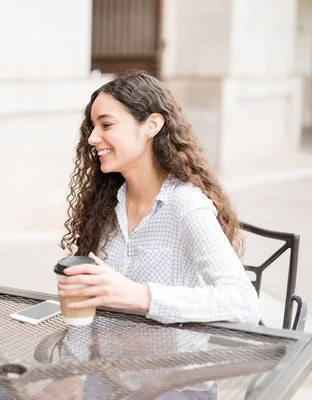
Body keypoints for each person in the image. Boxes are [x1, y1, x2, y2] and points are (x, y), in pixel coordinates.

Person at [46, 71, 261, 399]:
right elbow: (84, 304)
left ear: (152, 125)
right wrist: (73, 373)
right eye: (93, 128)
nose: (92, 138)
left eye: (106, 125)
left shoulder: (187, 205)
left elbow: (243, 304)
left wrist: (140, 295)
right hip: (109, 380)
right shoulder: (107, 206)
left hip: (173, 387)